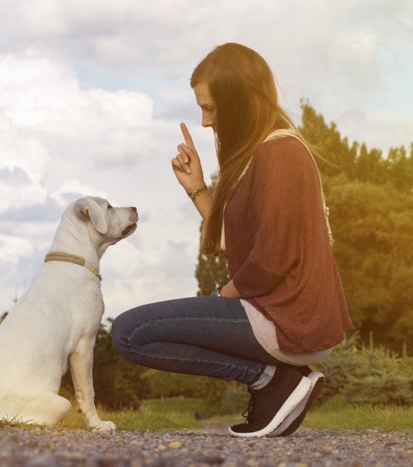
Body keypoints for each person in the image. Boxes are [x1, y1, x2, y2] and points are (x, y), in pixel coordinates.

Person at [112, 42, 353, 438]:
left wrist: (222, 296)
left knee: (129, 332)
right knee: (132, 333)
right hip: (277, 313)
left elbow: (271, 260)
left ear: (239, 101)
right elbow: (233, 240)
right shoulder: (261, 153)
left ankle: (271, 380)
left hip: (286, 318)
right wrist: (197, 188)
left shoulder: (281, 154)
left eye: (210, 108)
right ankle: (274, 380)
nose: (205, 121)